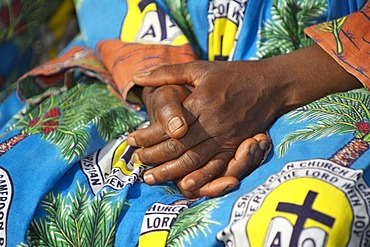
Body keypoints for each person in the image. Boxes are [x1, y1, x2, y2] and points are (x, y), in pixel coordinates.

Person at [1, 0, 370, 246]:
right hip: (138, 57)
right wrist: (162, 90)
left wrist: (270, 85)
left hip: (331, 76)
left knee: (310, 224)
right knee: (19, 176)